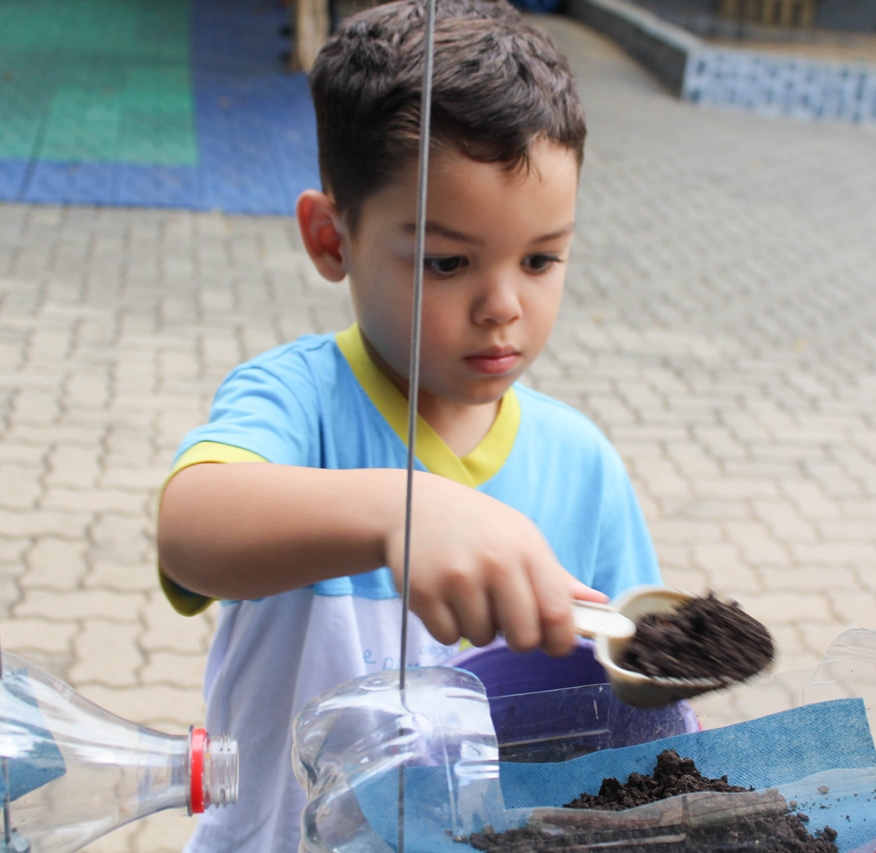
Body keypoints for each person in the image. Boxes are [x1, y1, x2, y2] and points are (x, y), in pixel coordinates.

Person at [156, 0, 662, 848]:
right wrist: (403, 510)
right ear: (331, 238)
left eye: (541, 258)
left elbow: (630, 694)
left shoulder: (584, 467)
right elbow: (192, 529)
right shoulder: (300, 404)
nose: (504, 305)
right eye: (447, 261)